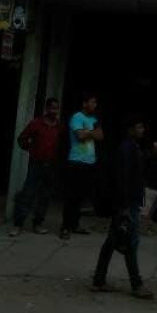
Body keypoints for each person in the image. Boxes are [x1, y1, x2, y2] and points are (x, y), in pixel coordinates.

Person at [91, 116, 154, 300]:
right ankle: (136, 283)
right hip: (127, 203)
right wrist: (124, 206)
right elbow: (122, 179)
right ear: (130, 129)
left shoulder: (132, 147)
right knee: (131, 241)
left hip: (128, 201)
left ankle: (99, 279)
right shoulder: (126, 149)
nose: (142, 130)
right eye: (139, 127)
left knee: (112, 241)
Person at [10, 97, 62, 237]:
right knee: (28, 193)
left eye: (56, 108)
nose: (54, 111)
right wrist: (32, 149)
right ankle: (18, 224)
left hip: (51, 165)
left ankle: (38, 223)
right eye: (52, 108)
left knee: (45, 196)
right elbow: (22, 139)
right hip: (36, 164)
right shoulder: (36, 124)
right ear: (47, 109)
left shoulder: (59, 126)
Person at [62, 92, 103, 238]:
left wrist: (87, 132)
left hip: (90, 161)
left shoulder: (94, 119)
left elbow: (100, 136)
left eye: (96, 102)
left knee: (81, 196)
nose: (95, 105)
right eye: (92, 102)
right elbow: (79, 136)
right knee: (72, 196)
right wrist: (91, 133)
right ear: (85, 103)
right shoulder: (77, 117)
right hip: (76, 161)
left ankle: (75, 224)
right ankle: (65, 227)